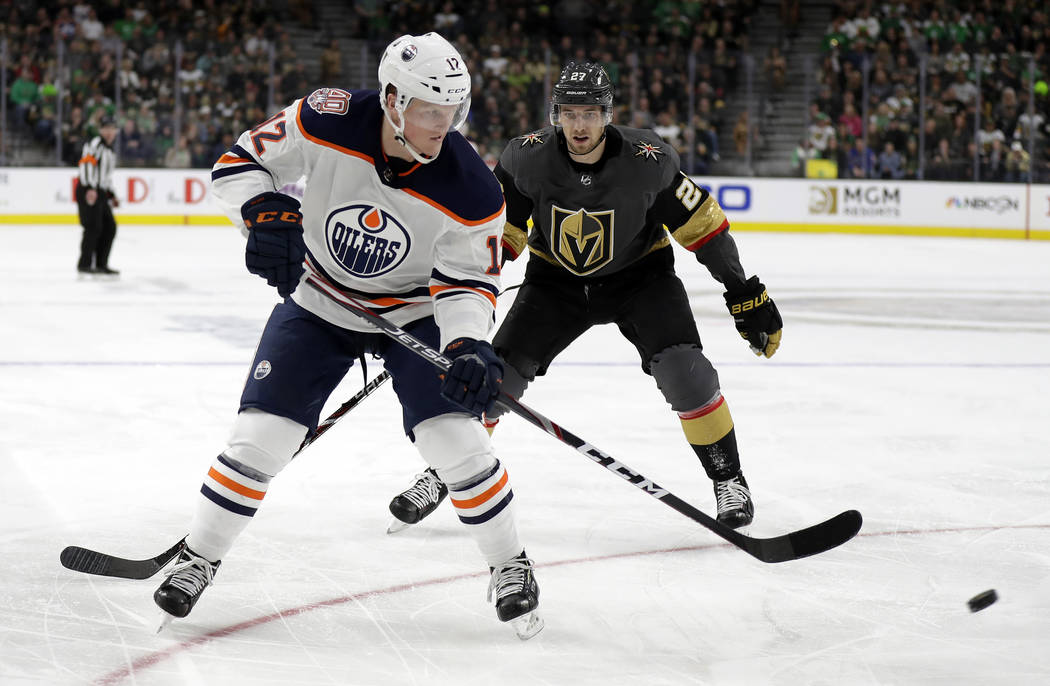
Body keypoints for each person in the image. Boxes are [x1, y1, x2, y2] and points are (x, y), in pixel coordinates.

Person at [153, 33, 542, 639]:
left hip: (411, 314)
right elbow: (239, 165)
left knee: (458, 443)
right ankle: (198, 558)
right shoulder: (325, 117)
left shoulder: (473, 187)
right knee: (259, 440)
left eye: (454, 112)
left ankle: (509, 563)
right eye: (430, 111)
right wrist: (264, 213)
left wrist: (467, 344)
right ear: (392, 99)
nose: (444, 126)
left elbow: (469, 280)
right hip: (318, 300)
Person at [388, 62, 782, 534]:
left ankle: (728, 479)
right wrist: (455, 287)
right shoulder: (525, 159)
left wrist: (744, 293)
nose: (579, 125)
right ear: (556, 115)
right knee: (492, 380)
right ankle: (446, 470)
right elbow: (497, 234)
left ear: (607, 115)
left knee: (687, 373)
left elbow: (705, 229)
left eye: (590, 113)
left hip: (641, 280)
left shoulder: (649, 160)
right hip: (555, 284)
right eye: (570, 113)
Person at [76, 116, 120, 277]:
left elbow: (105, 176)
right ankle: (85, 264)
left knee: (109, 227)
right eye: (106, 129)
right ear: (101, 130)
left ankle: (102, 263)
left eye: (112, 129)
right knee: (93, 227)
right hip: (89, 189)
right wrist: (90, 188)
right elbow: (87, 164)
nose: (109, 132)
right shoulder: (95, 144)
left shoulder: (109, 150)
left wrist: (111, 194)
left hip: (100, 191)